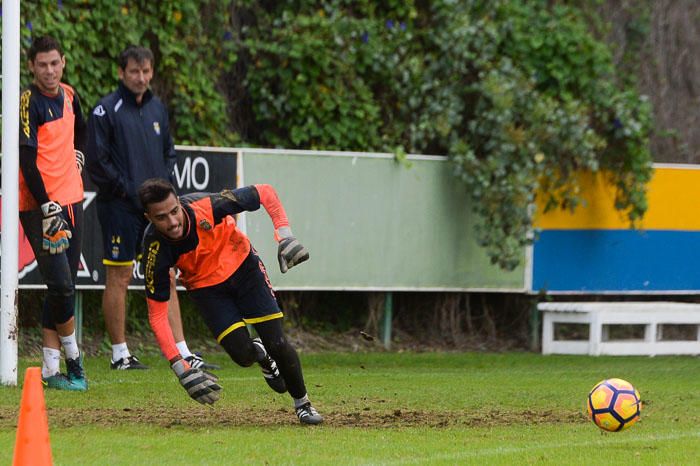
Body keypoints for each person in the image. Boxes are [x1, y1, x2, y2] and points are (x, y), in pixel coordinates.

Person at [138, 178, 323, 425]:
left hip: (244, 267)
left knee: (277, 341)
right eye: (161, 217)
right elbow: (157, 315)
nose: (172, 222)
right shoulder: (154, 251)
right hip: (206, 289)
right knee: (242, 356)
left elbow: (264, 192)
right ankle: (260, 354)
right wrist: (179, 367)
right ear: (148, 217)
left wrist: (285, 235)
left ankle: (303, 405)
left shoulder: (206, 206)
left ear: (179, 204)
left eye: (174, 211)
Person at [86, 45, 216, 370]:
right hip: (119, 208)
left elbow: (169, 152)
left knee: (167, 274)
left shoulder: (158, 108)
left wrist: (163, 188)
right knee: (119, 275)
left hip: (156, 212)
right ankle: (119, 353)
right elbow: (98, 163)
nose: (141, 78)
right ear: (121, 72)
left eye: (146, 71)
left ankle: (183, 351)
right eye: (134, 71)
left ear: (152, 72)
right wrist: (130, 193)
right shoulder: (106, 110)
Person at [19, 35, 88, 390]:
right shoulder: (28, 101)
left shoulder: (71, 94)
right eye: (42, 64)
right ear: (31, 66)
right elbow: (27, 159)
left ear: (63, 61)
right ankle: (74, 362)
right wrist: (46, 204)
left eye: (54, 63)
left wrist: (79, 153)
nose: (49, 70)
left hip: (72, 200)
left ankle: (50, 369)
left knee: (64, 286)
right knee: (61, 284)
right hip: (40, 206)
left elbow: (83, 131)